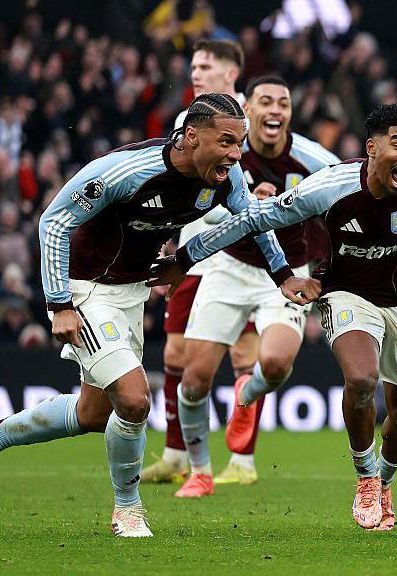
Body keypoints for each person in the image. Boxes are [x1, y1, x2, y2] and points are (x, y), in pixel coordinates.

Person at [0, 93, 319, 538]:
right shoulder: (129, 171)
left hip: (131, 291)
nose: (236, 154)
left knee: (92, 414)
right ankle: (128, 509)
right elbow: (53, 222)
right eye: (226, 142)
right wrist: (60, 303)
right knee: (134, 399)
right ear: (189, 137)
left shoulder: (225, 175)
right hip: (85, 288)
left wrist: (246, 268)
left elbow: (249, 220)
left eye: (239, 143)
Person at [149, 103, 397, 530]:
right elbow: (256, 218)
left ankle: (385, 483)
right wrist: (185, 257)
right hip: (345, 294)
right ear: (371, 147)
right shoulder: (331, 184)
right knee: (362, 379)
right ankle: (365, 479)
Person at [172, 74, 340, 498]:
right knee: (193, 381)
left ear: (289, 114)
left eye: (283, 103)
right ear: (247, 109)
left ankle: (250, 389)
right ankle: (200, 471)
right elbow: (201, 210)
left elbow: (349, 198)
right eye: (266, 101)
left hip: (284, 273)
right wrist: (245, 202)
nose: (275, 110)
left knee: (278, 362)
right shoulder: (227, 152)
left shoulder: (312, 158)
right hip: (228, 268)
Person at [142, 38, 257, 485]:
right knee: (175, 350)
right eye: (192, 65)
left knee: (243, 354)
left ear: (231, 73)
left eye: (205, 66)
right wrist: (164, 245)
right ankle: (175, 454)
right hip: (190, 249)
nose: (195, 73)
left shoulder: (252, 117)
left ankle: (243, 462)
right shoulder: (187, 120)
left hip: (233, 254)